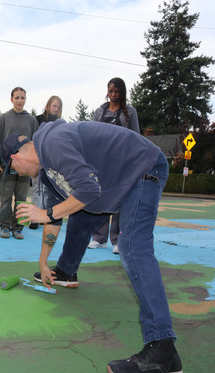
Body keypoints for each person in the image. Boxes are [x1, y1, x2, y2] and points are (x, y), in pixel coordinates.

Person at [5, 121, 181, 372]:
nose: (18, 174)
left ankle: (163, 350)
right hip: (115, 183)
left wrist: (46, 213)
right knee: (79, 213)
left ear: (16, 156)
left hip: (142, 167)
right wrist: (43, 263)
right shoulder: (47, 173)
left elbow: (86, 189)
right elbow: (54, 218)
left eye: (13, 168)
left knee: (133, 248)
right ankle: (65, 270)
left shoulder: (52, 144)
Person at [88, 77, 140, 254]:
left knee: (119, 201)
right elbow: (94, 136)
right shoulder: (99, 112)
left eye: (117, 92)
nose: (113, 95)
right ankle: (98, 238)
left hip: (122, 162)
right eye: (110, 91)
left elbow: (136, 137)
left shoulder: (130, 112)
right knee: (102, 198)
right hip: (102, 162)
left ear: (122, 93)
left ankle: (117, 240)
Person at [0, 87, 38, 239]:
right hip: (7, 165)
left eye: (22, 98)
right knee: (6, 197)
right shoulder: (3, 118)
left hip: (26, 167)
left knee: (22, 198)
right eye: (17, 97)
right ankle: (4, 226)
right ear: (11, 99)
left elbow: (36, 143)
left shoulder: (31, 120)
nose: (19, 100)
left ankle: (18, 228)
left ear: (25, 99)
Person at [30, 95, 63, 229]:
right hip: (39, 157)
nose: (56, 109)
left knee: (50, 189)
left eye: (59, 107)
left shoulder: (61, 123)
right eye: (54, 105)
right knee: (37, 188)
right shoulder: (37, 119)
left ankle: (47, 215)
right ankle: (34, 218)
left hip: (53, 160)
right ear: (48, 105)